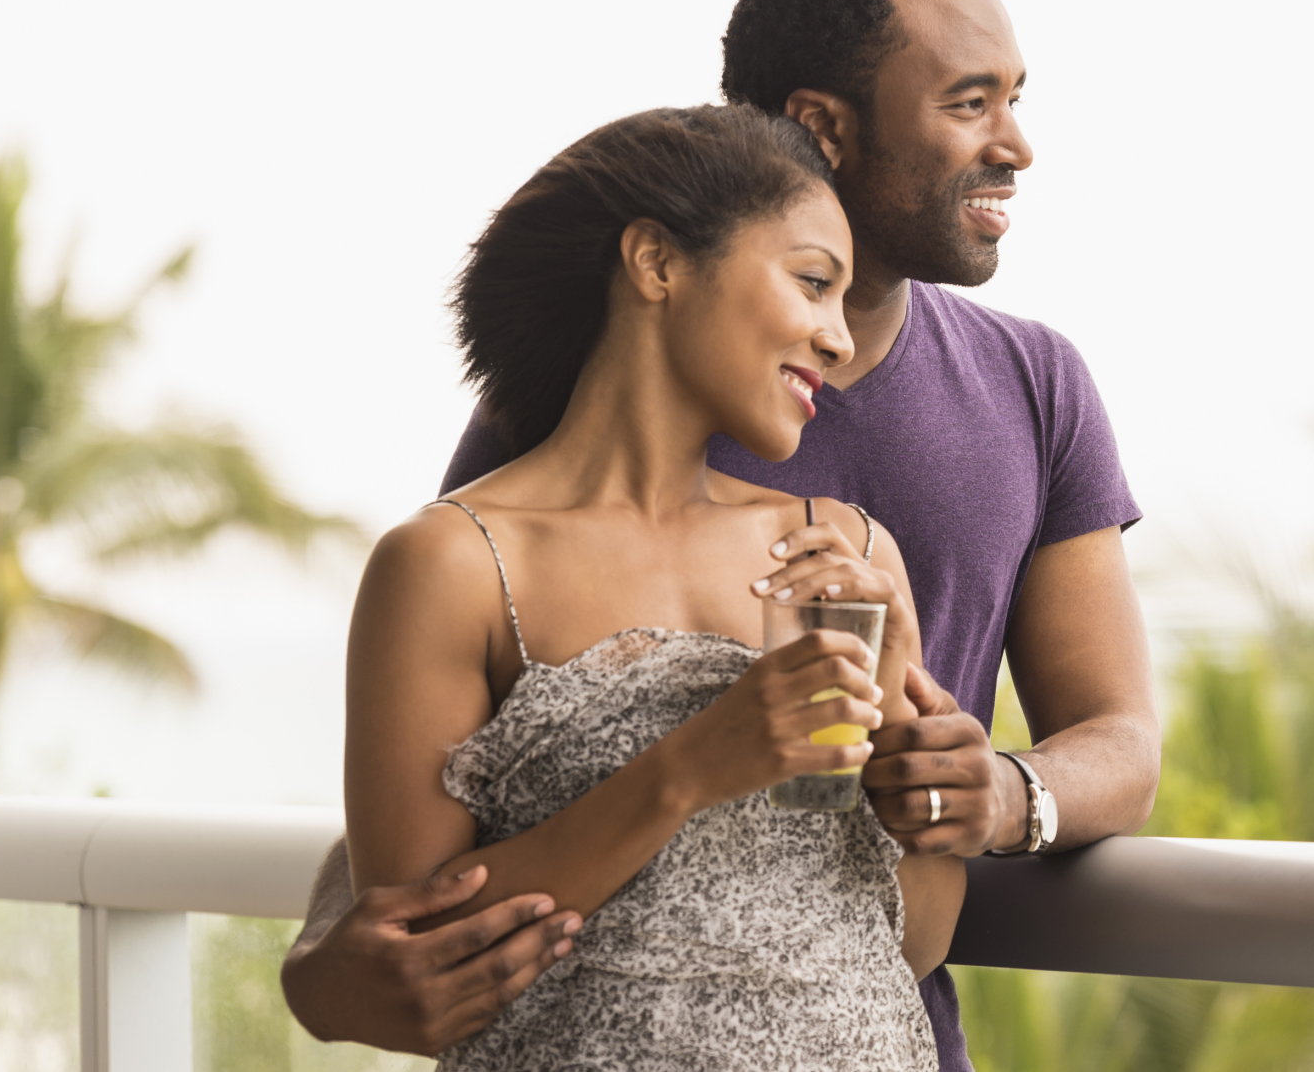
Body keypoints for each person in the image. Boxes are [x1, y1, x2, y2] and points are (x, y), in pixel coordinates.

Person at [284, 0, 1161, 1071]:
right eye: (967, 101)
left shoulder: (1011, 404)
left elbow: (1096, 755)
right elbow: (436, 826)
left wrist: (981, 786)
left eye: (1013, 96)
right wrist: (322, 962)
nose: (1015, 143)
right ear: (819, 126)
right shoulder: (508, 475)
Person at [349, 104, 948, 1069]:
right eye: (811, 282)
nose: (838, 339)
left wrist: (912, 761)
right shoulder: (453, 565)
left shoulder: (847, 554)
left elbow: (913, 938)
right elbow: (422, 957)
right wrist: (694, 764)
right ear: (657, 263)